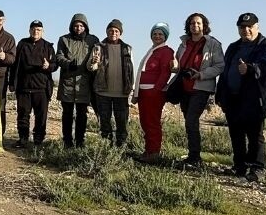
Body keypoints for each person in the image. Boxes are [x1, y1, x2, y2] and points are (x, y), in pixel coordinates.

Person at [215, 13, 266, 182]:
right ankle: (239, 166)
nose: (246, 30)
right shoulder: (233, 47)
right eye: (242, 27)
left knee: (255, 135)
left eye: (250, 26)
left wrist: (251, 68)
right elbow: (224, 71)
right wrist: (220, 94)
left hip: (254, 99)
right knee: (236, 133)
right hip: (232, 97)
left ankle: (257, 168)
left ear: (257, 27)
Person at [172, 12, 225, 167]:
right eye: (192, 23)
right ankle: (192, 156)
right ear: (188, 26)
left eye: (198, 23)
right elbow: (178, 65)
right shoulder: (184, 44)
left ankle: (195, 157)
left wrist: (201, 74)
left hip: (201, 87)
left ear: (204, 25)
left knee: (191, 120)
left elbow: (220, 66)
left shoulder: (212, 43)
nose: (195, 26)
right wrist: (175, 67)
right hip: (184, 87)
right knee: (189, 122)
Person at [8, 20, 57, 148]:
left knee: (41, 116)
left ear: (42, 31)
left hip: (41, 88)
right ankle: (23, 139)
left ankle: (38, 141)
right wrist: (12, 82)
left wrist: (48, 66)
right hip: (24, 87)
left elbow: (55, 65)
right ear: (29, 31)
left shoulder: (48, 46)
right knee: (23, 115)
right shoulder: (22, 44)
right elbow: (14, 65)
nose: (36, 31)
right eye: (34, 29)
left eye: (39, 29)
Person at [132, 22, 176, 163]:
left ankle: (154, 153)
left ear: (165, 37)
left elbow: (165, 73)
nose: (157, 36)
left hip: (153, 93)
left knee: (152, 122)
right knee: (145, 122)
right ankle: (148, 150)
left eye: (160, 34)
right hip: (144, 92)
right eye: (155, 34)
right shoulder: (152, 50)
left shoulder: (166, 51)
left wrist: (156, 90)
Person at [54, 13, 99, 149]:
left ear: (85, 26)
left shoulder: (92, 40)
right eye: (75, 25)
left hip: (84, 84)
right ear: (72, 26)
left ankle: (80, 142)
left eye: (81, 25)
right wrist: (68, 64)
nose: (78, 28)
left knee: (81, 114)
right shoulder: (64, 39)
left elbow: (97, 55)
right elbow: (59, 56)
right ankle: (67, 141)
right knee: (67, 114)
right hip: (67, 83)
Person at [91, 19, 134, 148]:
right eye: (110, 30)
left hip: (121, 93)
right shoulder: (99, 47)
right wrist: (94, 62)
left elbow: (131, 70)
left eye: (116, 31)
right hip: (103, 92)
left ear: (120, 33)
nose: (113, 33)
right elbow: (91, 67)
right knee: (104, 122)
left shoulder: (128, 48)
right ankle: (106, 149)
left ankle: (121, 149)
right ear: (107, 32)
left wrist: (131, 89)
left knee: (122, 123)